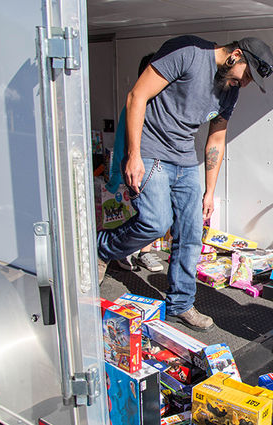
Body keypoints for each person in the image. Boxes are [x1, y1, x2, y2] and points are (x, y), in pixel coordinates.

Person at [97, 35, 273, 331]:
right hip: (151, 151)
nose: (246, 84)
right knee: (155, 222)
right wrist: (133, 155)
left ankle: (181, 303)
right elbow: (136, 97)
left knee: (191, 231)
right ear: (236, 55)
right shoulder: (188, 52)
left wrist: (209, 191)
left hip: (184, 159)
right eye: (247, 75)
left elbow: (216, 138)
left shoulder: (229, 91)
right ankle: (104, 248)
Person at [107, 52, 165, 274]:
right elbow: (123, 138)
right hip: (139, 168)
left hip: (158, 167)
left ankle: (142, 252)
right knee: (146, 215)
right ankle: (119, 250)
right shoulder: (138, 103)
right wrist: (117, 174)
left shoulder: (161, 103)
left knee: (154, 214)